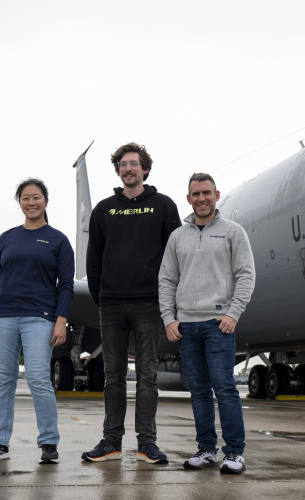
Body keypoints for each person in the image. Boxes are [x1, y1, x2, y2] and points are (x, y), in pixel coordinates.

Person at [82, 142, 181, 465]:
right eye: (123, 164)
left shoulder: (163, 206)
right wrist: (101, 296)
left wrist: (168, 299)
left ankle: (146, 444)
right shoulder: (104, 210)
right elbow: (93, 258)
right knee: (113, 377)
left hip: (148, 304)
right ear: (118, 170)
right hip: (111, 305)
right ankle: (111, 441)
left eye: (134, 164)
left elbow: (175, 256)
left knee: (147, 376)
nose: (128, 169)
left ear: (145, 169)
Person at [158, 173, 256, 474]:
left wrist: (233, 313)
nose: (201, 198)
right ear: (188, 199)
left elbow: (246, 274)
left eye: (207, 193)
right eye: (196, 194)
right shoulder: (177, 236)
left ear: (216, 195)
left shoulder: (233, 232)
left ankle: (234, 453)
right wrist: (169, 318)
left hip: (218, 324)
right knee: (199, 390)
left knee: (224, 387)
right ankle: (206, 449)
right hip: (186, 326)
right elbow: (166, 280)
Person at [0, 178, 75, 464]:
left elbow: (65, 285)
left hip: (40, 318)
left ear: (46, 200)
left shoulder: (58, 240)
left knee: (39, 379)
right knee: (3, 381)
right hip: (3, 318)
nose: (31, 202)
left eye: (37, 197)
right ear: (20, 202)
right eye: (25, 198)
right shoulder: (6, 238)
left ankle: (49, 444)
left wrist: (61, 320)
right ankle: (0, 443)